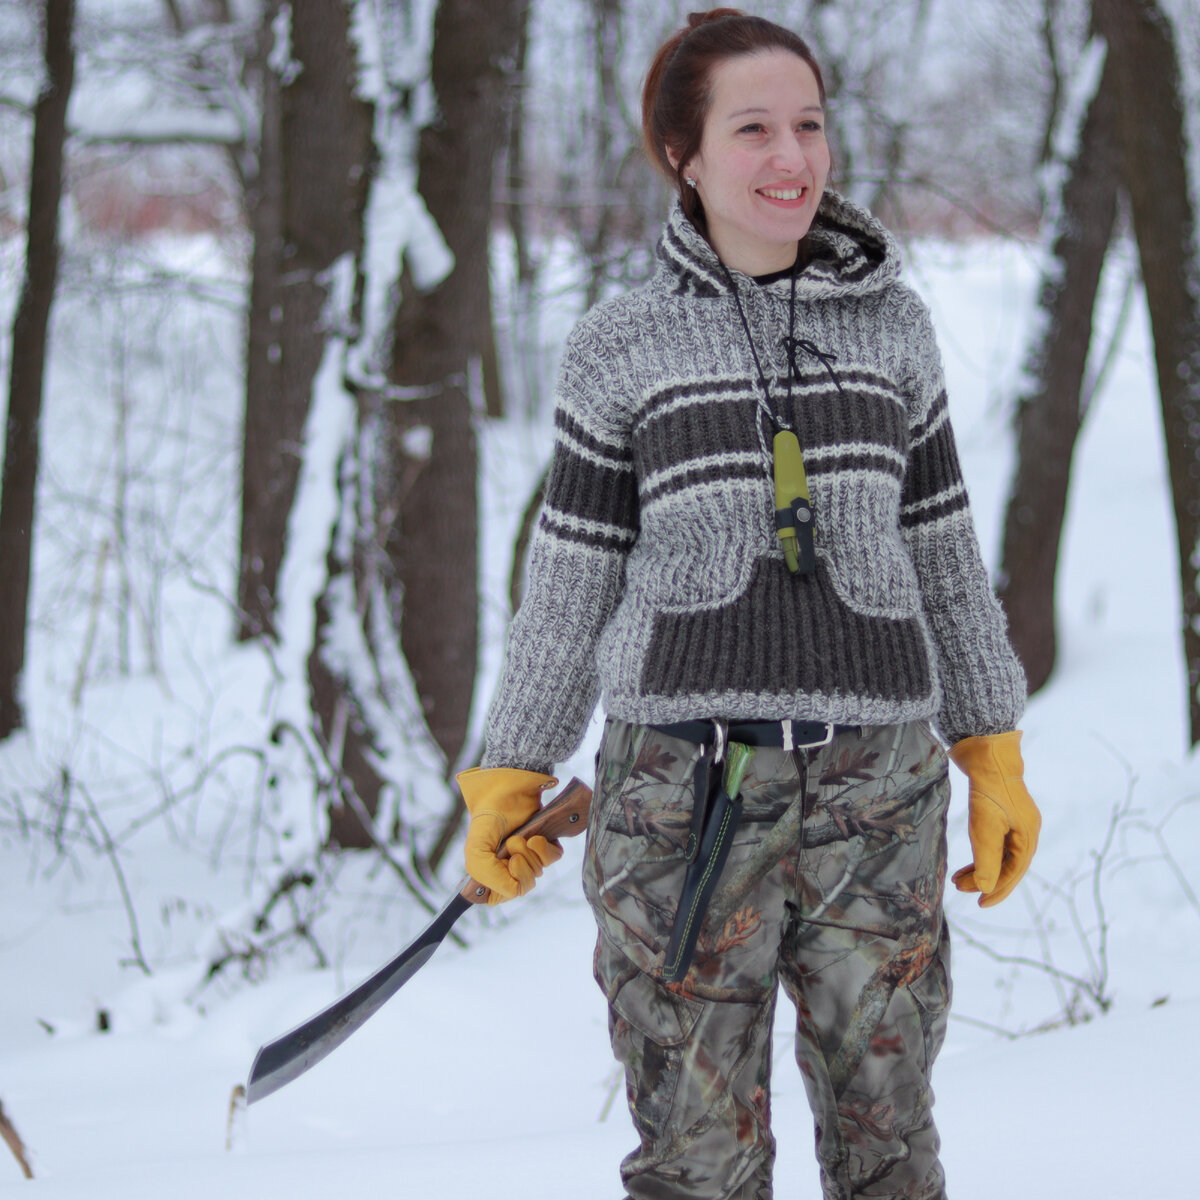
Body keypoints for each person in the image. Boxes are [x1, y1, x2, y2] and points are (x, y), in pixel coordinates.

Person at [456, 9, 1041, 1199]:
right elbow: (569, 582)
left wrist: (992, 747)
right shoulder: (620, 346)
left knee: (889, 1147)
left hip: (876, 796)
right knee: (694, 1163)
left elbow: (942, 552)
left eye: (811, 126)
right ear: (686, 155)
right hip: (679, 804)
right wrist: (509, 769)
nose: (793, 157)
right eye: (754, 128)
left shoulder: (895, 329)